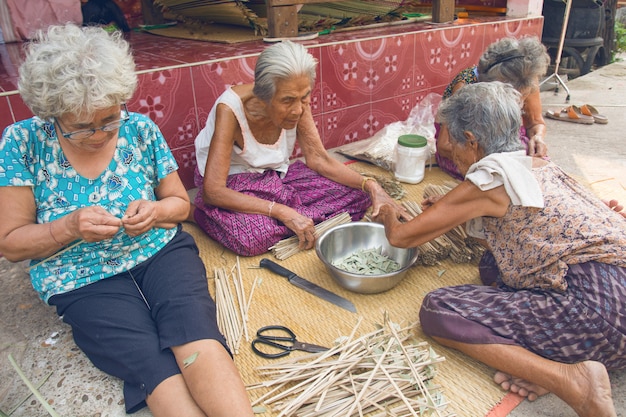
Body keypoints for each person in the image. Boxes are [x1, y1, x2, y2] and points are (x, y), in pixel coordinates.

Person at [0, 24, 254, 417]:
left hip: (158, 251)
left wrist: (156, 212)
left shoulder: (139, 129)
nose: (100, 134)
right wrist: (67, 228)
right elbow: (11, 243)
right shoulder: (23, 143)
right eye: (82, 126)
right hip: (81, 276)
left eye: (109, 118)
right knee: (147, 358)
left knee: (193, 330)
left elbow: (179, 206)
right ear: (52, 114)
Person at [374, 82, 626, 417]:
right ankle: (551, 362)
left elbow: (401, 237)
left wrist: (387, 207)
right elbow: (522, 234)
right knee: (493, 265)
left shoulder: (491, 178)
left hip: (597, 315)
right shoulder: (538, 164)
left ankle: (571, 380)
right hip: (618, 300)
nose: (449, 150)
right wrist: (453, 209)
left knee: (439, 311)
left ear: (472, 141)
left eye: (452, 140)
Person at [192, 40, 406, 256]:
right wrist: (281, 211)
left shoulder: (298, 99)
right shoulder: (229, 110)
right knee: (253, 238)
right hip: (233, 181)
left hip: (276, 177)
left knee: (359, 196)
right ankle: (200, 214)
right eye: (287, 100)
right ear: (264, 96)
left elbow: (319, 160)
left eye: (305, 97)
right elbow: (214, 191)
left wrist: (372, 186)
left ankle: (292, 215)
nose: (297, 110)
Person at [436, 36, 551, 180]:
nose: (519, 101)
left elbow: (535, 122)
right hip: (471, 147)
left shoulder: (526, 79)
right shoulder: (466, 86)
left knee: (538, 167)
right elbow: (444, 145)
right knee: (495, 178)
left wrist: (537, 136)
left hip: (506, 139)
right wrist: (497, 161)